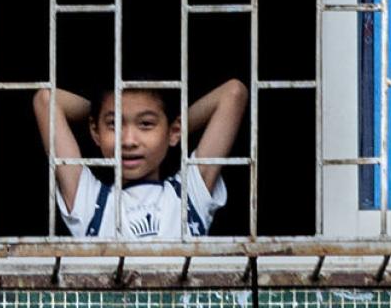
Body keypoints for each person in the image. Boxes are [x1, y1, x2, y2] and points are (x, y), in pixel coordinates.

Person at [32, 80, 247, 238]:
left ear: (174, 130)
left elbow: (234, 93)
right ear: (96, 131)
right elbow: (46, 100)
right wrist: (101, 110)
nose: (128, 141)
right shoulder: (90, 201)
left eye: (145, 124)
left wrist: (171, 131)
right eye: (114, 124)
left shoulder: (189, 194)